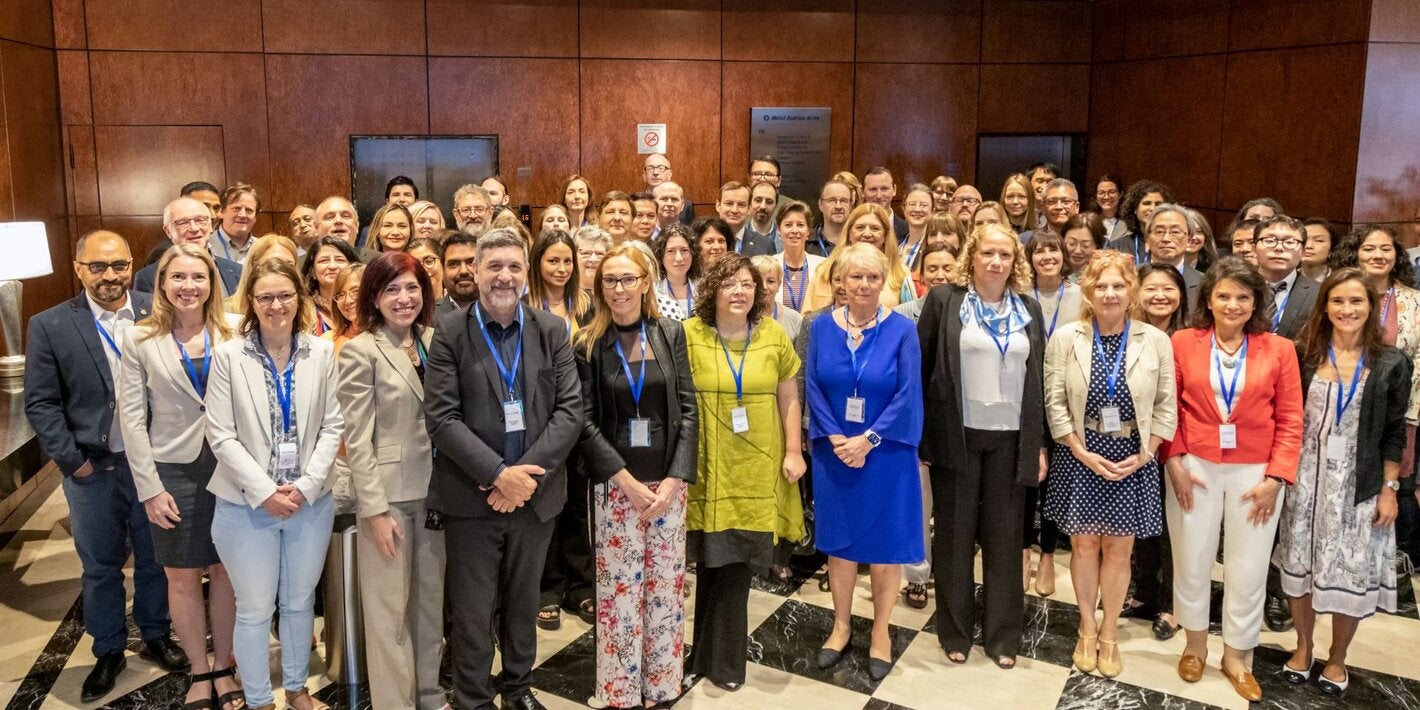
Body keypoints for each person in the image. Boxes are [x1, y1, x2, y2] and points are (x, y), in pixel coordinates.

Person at [25, 231, 188, 703]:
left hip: (152, 466)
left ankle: (156, 634)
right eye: (98, 266)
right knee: (100, 566)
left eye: (118, 265)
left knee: (156, 558)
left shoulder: (159, 311)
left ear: (131, 265)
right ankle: (109, 649)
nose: (110, 276)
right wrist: (73, 463)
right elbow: (41, 403)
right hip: (93, 470)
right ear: (78, 269)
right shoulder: (51, 324)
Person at [424, 228, 582, 710]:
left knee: (522, 601)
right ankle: (472, 698)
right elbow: (442, 418)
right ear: (475, 271)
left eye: (514, 266)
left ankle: (516, 688)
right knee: (472, 611)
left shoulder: (550, 330)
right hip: (471, 498)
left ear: (526, 273)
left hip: (535, 498)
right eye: (494, 266)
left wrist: (523, 479)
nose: (504, 276)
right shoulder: (450, 332)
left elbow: (570, 412)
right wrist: (498, 475)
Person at [206, 258, 344, 710]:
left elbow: (333, 424)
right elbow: (220, 434)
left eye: (285, 295)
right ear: (251, 301)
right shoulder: (229, 355)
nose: (276, 305)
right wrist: (265, 492)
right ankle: (261, 700)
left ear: (299, 299)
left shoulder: (321, 352)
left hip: (310, 502)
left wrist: (306, 486)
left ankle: (298, 690)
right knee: (254, 608)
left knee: (300, 602)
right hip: (245, 505)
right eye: (265, 297)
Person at [1165, 256, 1303, 702]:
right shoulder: (1182, 342)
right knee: (1191, 558)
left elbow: (1291, 419)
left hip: (1256, 472)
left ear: (1255, 302)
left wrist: (1277, 478)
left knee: (1249, 566)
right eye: (1223, 295)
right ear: (1208, 299)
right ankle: (1195, 646)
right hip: (1194, 465)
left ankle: (1237, 656)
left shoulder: (1278, 349)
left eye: (1243, 297)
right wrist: (1174, 461)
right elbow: (1170, 407)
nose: (1233, 304)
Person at [917, 223, 1048, 668]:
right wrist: (922, 439)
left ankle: (1002, 636)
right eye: (987, 253)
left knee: (1006, 539)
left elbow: (1038, 379)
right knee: (954, 537)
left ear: (1015, 262)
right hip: (956, 436)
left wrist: (1039, 445)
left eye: (1004, 255)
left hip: (1011, 439)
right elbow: (923, 368)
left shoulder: (1028, 308)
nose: (995, 261)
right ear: (971, 256)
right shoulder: (945, 300)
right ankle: (955, 631)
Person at [573, 244, 697, 709]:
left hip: (668, 487)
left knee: (665, 590)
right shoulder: (587, 343)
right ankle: (620, 692)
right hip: (616, 487)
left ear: (646, 282)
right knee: (619, 595)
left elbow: (688, 409)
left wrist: (675, 479)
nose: (619, 288)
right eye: (610, 280)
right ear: (599, 287)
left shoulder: (670, 332)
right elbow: (585, 422)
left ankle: (661, 686)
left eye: (628, 279)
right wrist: (624, 481)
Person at [119, 245, 242, 709]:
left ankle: (224, 666)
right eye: (178, 277)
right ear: (163, 283)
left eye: (198, 277)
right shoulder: (140, 339)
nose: (188, 286)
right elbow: (132, 420)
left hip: (232, 465)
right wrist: (150, 489)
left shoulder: (235, 331)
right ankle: (199, 670)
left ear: (212, 283)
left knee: (227, 571)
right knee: (182, 576)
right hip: (173, 470)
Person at [1043, 251, 1176, 678]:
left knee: (1120, 550)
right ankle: (1086, 626)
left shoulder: (1155, 340)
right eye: (1101, 286)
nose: (1110, 293)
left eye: (1119, 285)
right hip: (1081, 455)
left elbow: (1166, 405)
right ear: (1088, 291)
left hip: (1134, 459)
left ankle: (1110, 632)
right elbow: (1054, 402)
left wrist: (1146, 453)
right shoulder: (1067, 337)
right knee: (1084, 546)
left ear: (1131, 291)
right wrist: (1079, 450)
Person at [1276, 267, 1408, 696]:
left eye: (1356, 301)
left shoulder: (1391, 362)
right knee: (1300, 564)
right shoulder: (1304, 353)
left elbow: (1394, 431)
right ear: (1325, 306)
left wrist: (1389, 489)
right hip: (1304, 480)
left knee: (1348, 573)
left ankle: (1337, 657)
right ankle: (1303, 647)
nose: (1346, 309)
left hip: (1358, 484)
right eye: (1337, 300)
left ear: (1370, 307)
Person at [683, 253, 806, 691]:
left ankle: (727, 665)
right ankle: (701, 655)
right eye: (729, 283)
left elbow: (789, 397)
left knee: (735, 566)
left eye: (747, 284)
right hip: (707, 466)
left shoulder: (773, 334)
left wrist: (794, 450)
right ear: (712, 290)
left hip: (757, 467)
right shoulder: (689, 334)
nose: (739, 291)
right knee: (710, 562)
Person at [805, 244, 923, 681]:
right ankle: (840, 626)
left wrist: (868, 440)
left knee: (885, 549)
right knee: (840, 546)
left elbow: (908, 394)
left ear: (884, 280)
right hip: (835, 452)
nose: (864, 285)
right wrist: (837, 438)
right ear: (841, 280)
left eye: (873, 277)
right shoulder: (821, 326)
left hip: (885, 453)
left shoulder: (902, 330)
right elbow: (812, 385)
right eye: (856, 276)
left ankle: (880, 631)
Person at [336, 252, 445, 710]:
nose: (404, 298)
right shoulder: (361, 350)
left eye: (412, 288)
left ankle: (429, 694)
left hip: (438, 493)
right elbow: (357, 439)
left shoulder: (436, 340)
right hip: (390, 498)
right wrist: (375, 510)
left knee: (428, 606)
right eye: (391, 289)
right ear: (374, 298)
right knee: (388, 614)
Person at [1127, 263, 1190, 639]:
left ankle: (1173, 603)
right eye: (1151, 288)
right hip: (1136, 443)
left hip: (1177, 445)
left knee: (1173, 529)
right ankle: (1145, 592)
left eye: (1169, 288)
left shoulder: (1190, 338)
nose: (1159, 296)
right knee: (1142, 522)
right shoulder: (1129, 333)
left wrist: (1174, 450)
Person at [1021, 231, 1080, 598]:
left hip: (1066, 398)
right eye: (1038, 251)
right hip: (1025, 396)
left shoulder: (1079, 296)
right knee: (1027, 479)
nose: (1046, 256)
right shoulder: (1019, 295)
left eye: (1053, 250)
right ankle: (1023, 551)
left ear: (1063, 256)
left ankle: (1047, 554)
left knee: (1056, 481)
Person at [804, 204, 914, 310]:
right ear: (849, 233)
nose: (867, 234)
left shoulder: (901, 273)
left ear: (885, 236)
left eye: (875, 228)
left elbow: (910, 314)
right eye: (860, 228)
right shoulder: (824, 270)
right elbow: (808, 316)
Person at [1253, 214, 1319, 340]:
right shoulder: (1239, 286)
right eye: (1269, 241)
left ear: (1303, 251)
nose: (1279, 248)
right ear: (1254, 248)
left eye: (1289, 242)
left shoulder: (1318, 293)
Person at [526, 229, 592, 333]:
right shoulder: (523, 308)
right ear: (537, 262)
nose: (562, 269)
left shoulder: (589, 304)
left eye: (567, 261)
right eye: (553, 261)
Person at [300, 236, 361, 335]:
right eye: (324, 260)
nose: (332, 266)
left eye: (339, 260)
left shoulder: (365, 305)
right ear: (312, 272)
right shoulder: (302, 310)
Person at [771, 201, 824, 314]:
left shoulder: (822, 266)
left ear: (808, 231)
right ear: (779, 231)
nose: (794, 230)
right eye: (788, 225)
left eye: (800, 225)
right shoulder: (770, 265)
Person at [1105, 180, 1173, 263]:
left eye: (1158, 204)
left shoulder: (1172, 244)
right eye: (1146, 203)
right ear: (1135, 209)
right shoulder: (1117, 246)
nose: (1152, 208)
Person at [653, 223, 698, 321]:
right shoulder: (652, 291)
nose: (679, 258)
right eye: (671, 251)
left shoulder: (703, 288)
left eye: (684, 250)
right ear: (660, 255)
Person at [325, 263, 365, 351]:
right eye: (341, 295)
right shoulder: (327, 341)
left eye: (356, 291)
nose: (348, 301)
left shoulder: (391, 337)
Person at [898, 184, 935, 271]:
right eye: (912, 204)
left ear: (932, 211)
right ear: (904, 209)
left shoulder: (933, 246)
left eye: (924, 205)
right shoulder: (896, 243)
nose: (917, 209)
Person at [574, 225, 613, 294]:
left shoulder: (615, 294)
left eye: (600, 254)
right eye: (586, 253)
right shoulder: (561, 294)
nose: (593, 259)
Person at [1092, 173, 1127, 242]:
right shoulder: (1089, 222)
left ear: (1120, 194)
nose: (1106, 197)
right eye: (1101, 192)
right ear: (1095, 196)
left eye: (1112, 192)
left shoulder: (1130, 224)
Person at [1301, 218, 1338, 282]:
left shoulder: (1339, 282)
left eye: (1319, 240)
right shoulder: (1285, 278)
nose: (1308, 246)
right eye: (1304, 240)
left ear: (1331, 249)